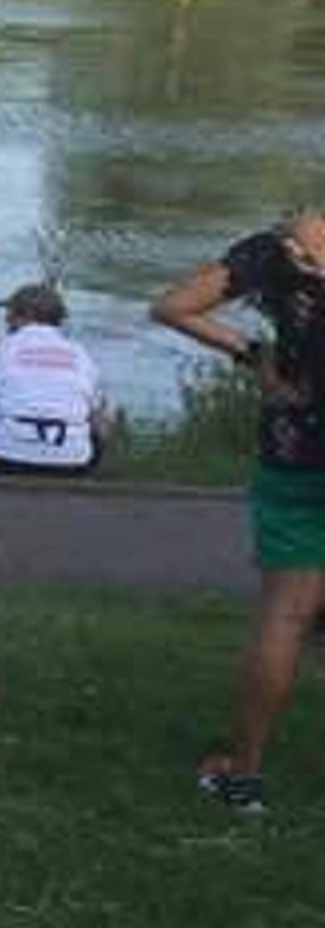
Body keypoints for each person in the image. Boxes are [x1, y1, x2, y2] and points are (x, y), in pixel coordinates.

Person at [151, 209, 325, 812]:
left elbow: (173, 306)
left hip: (300, 451)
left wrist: (258, 358)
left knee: (287, 615)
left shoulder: (284, 250)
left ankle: (243, 773)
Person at [0, 281, 103, 476]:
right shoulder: (81, 354)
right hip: (72, 465)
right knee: (89, 412)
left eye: (11, 312)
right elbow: (98, 419)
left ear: (27, 315)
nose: (6, 318)